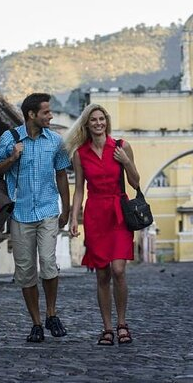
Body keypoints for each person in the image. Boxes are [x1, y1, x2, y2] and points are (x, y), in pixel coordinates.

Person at [0, 93, 71, 343]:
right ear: (31, 115)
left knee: (47, 262)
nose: (51, 116)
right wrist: (12, 158)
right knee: (25, 271)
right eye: (46, 112)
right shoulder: (9, 138)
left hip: (47, 210)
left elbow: (61, 176)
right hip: (20, 213)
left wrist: (66, 209)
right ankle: (36, 322)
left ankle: (51, 313)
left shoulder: (56, 141)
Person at [65, 104, 140, 346]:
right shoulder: (80, 153)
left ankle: (122, 323)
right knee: (102, 274)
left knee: (118, 270)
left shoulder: (121, 146)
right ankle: (107, 327)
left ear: (106, 122)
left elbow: (136, 182)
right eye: (93, 120)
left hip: (118, 211)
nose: (98, 123)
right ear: (87, 124)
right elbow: (79, 191)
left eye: (102, 119)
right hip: (95, 214)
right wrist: (74, 218)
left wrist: (126, 161)